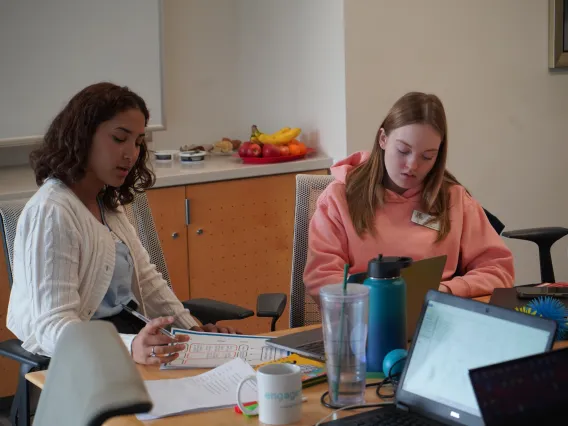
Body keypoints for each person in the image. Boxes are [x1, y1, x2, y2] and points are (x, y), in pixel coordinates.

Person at [7, 82, 239, 365]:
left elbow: (147, 281)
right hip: (87, 358)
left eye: (139, 142)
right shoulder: (53, 211)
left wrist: (191, 331)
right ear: (83, 135)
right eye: (119, 138)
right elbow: (52, 326)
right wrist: (129, 347)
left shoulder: (106, 202)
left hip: (125, 337)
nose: (131, 154)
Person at [303, 92, 514, 302]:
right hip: (365, 322)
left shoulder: (454, 200)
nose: (412, 166)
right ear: (383, 139)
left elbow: (497, 270)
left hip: (435, 318)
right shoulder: (338, 199)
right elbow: (322, 278)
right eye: (403, 150)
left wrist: (446, 291)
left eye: (427, 156)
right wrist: (382, 298)